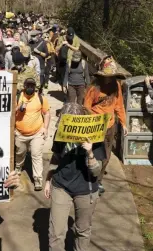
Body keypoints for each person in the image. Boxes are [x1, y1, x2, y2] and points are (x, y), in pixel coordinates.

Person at [45, 103, 105, 251]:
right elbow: (56, 157)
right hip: (61, 186)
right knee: (56, 233)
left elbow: (96, 172)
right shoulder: (61, 134)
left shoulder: (95, 136)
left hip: (86, 189)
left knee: (82, 231)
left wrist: (90, 153)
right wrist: (48, 179)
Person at [83, 56, 127, 193]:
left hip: (110, 125)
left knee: (106, 157)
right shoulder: (94, 87)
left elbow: (119, 106)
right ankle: (90, 180)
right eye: (108, 76)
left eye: (112, 76)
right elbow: (86, 106)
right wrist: (92, 120)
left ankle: (99, 180)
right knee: (94, 154)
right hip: (95, 125)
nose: (109, 78)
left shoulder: (116, 86)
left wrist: (124, 123)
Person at [15, 78, 51, 191]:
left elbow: (47, 113)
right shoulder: (17, 97)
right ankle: (18, 167)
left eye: (32, 85)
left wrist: (45, 128)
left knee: (36, 155)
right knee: (20, 153)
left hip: (37, 133)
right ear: (24, 86)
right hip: (20, 133)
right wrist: (19, 108)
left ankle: (38, 180)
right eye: (28, 85)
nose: (30, 88)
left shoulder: (40, 98)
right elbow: (10, 112)